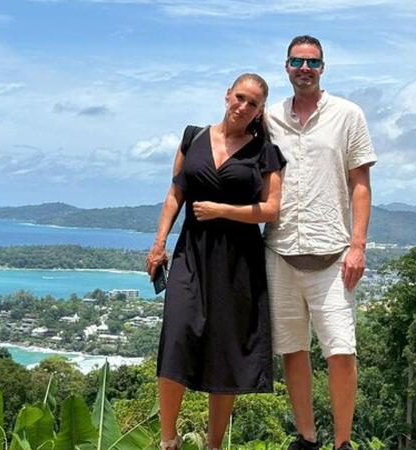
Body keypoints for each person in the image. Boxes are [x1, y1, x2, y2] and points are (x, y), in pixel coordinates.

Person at [146, 73, 286, 450]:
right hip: (190, 253)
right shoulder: (192, 137)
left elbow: (271, 209)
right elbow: (175, 193)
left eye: (252, 103)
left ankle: (214, 445)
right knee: (176, 337)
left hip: (238, 262)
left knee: (226, 350)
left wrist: (223, 210)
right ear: (227, 95)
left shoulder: (264, 152)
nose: (243, 106)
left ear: (259, 110)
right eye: (240, 97)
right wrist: (158, 244)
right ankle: (168, 440)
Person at [264, 35, 377, 450]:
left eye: (312, 62)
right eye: (297, 62)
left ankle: (343, 442)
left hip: (333, 253)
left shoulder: (348, 114)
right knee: (292, 351)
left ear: (323, 68)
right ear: (286, 67)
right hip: (280, 250)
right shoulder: (270, 118)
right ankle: (307, 438)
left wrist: (358, 245)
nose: (304, 69)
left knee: (341, 351)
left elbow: (360, 183)